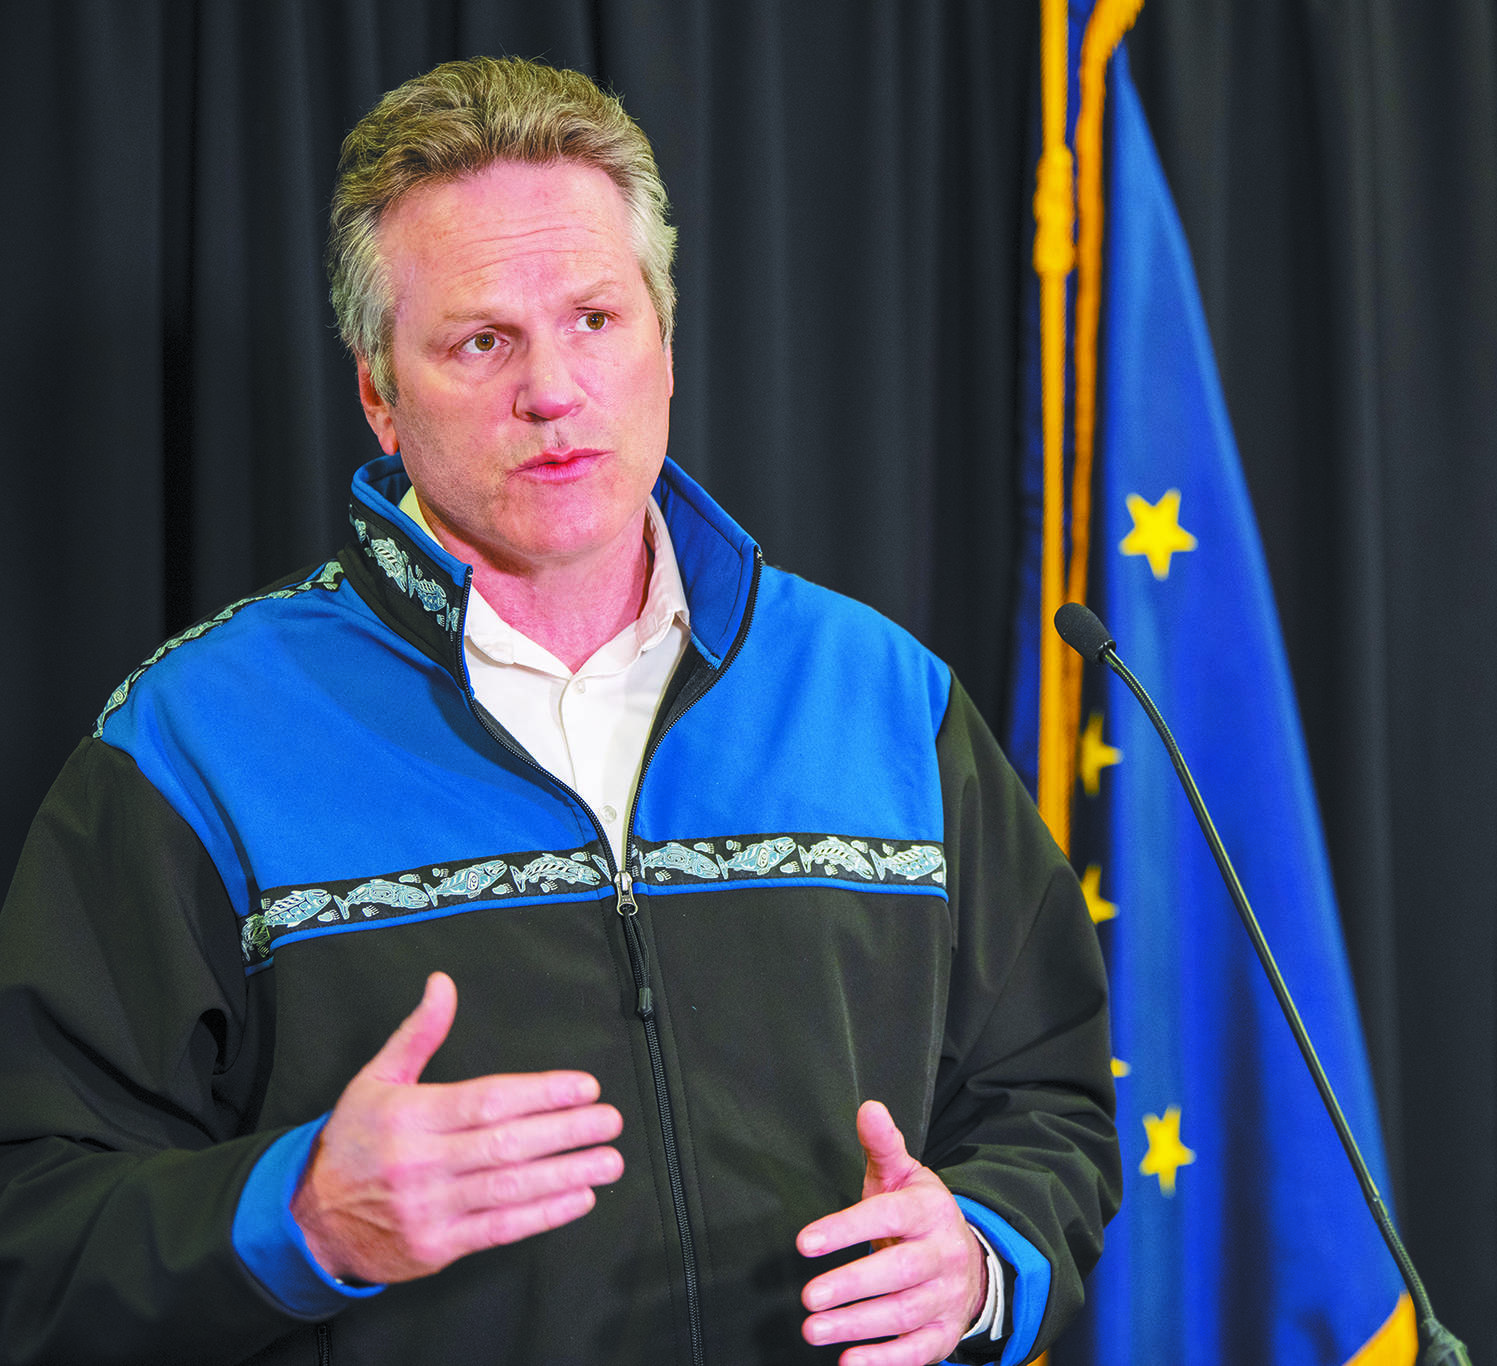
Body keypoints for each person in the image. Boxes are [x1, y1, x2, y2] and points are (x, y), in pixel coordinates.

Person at [0, 56, 1117, 1366]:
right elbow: (35, 1230)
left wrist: (980, 1260)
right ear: (379, 393)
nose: (553, 390)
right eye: (482, 340)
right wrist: (301, 1219)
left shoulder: (881, 697)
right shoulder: (191, 745)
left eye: (596, 318)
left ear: (665, 343)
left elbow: (1049, 1098)